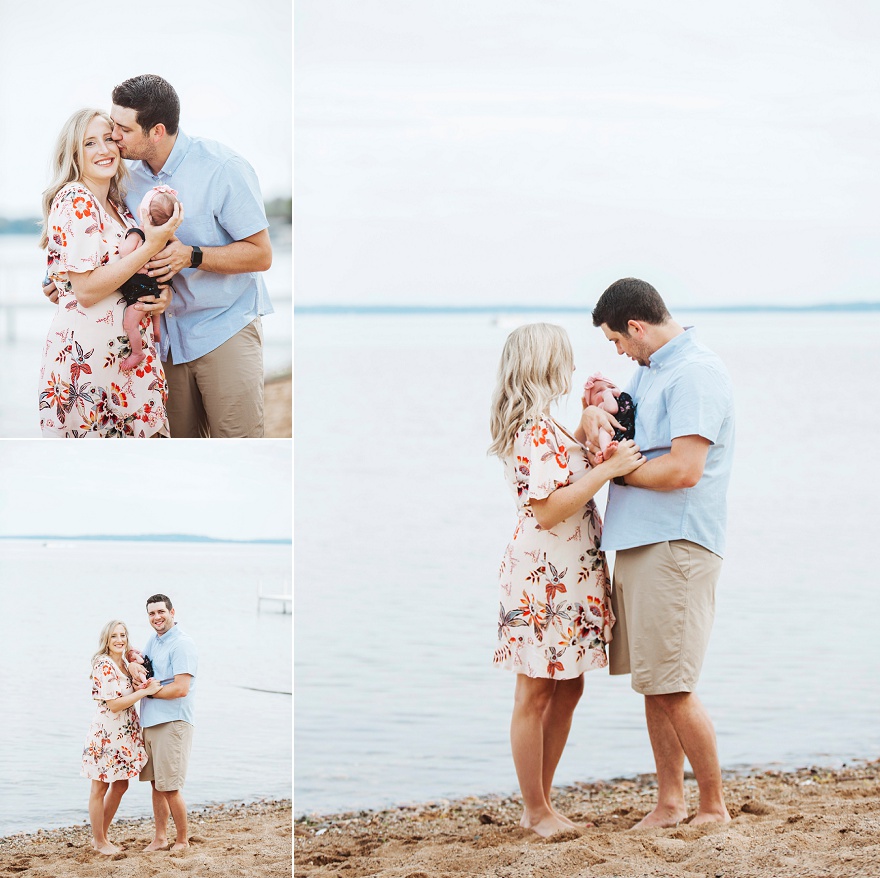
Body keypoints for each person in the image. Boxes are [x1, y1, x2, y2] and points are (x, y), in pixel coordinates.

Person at [583, 277, 735, 828]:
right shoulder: (652, 370)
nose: (617, 351)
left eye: (616, 341)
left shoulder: (695, 374)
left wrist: (617, 469)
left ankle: (712, 807)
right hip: (643, 541)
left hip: (676, 543)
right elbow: (636, 439)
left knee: (673, 684)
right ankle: (670, 803)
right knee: (655, 682)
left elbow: (684, 469)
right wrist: (602, 408)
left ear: (637, 327)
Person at [488, 323, 646, 837]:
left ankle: (544, 803)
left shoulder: (548, 427)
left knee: (570, 685)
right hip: (545, 575)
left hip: (570, 570)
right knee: (535, 692)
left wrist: (583, 430)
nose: (573, 366)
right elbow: (551, 507)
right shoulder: (531, 429)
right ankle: (535, 812)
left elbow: (562, 472)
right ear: (544, 364)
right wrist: (609, 468)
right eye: (565, 358)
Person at [111, 73, 273, 437]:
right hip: (163, 340)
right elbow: (101, 234)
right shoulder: (124, 178)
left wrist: (192, 256)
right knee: (179, 456)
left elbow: (261, 255)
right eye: (112, 125)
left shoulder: (223, 168)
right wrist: (56, 278)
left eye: (123, 129)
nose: (114, 136)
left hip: (224, 328)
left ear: (156, 131)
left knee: (240, 448)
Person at [38, 108, 182, 438]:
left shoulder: (119, 208)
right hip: (89, 365)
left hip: (129, 364)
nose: (103, 150)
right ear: (73, 153)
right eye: (89, 143)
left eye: (108, 139)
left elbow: (130, 273)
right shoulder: (76, 198)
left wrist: (161, 297)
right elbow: (86, 291)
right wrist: (150, 246)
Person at [81, 620, 162, 855]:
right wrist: (144, 692)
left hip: (123, 735)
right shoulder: (104, 664)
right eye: (114, 636)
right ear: (106, 639)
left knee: (121, 784)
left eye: (123, 635)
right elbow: (114, 704)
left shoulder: (125, 664)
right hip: (106, 735)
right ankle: (100, 841)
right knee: (99, 787)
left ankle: (101, 838)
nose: (119, 640)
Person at [138, 594, 199, 851]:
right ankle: (160, 838)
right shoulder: (154, 640)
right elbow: (139, 661)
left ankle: (182, 840)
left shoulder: (182, 644)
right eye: (151, 613)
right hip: (151, 722)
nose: (157, 617)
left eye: (161, 612)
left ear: (172, 612)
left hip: (173, 722)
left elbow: (181, 688)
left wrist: (148, 692)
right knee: (157, 784)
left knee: (171, 786)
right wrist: (133, 668)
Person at [116, 185, 181, 370]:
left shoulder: (138, 232)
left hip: (140, 289)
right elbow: (177, 249)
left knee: (130, 324)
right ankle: (157, 329)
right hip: (159, 285)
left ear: (144, 213)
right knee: (156, 305)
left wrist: (125, 238)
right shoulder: (166, 238)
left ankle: (137, 353)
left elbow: (125, 251)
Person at [581, 372, 635, 462]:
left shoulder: (623, 401)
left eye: (612, 387)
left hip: (626, 431)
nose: (607, 390)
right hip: (613, 433)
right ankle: (605, 450)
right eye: (599, 391)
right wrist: (607, 394)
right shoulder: (601, 406)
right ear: (591, 403)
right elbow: (612, 409)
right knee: (604, 430)